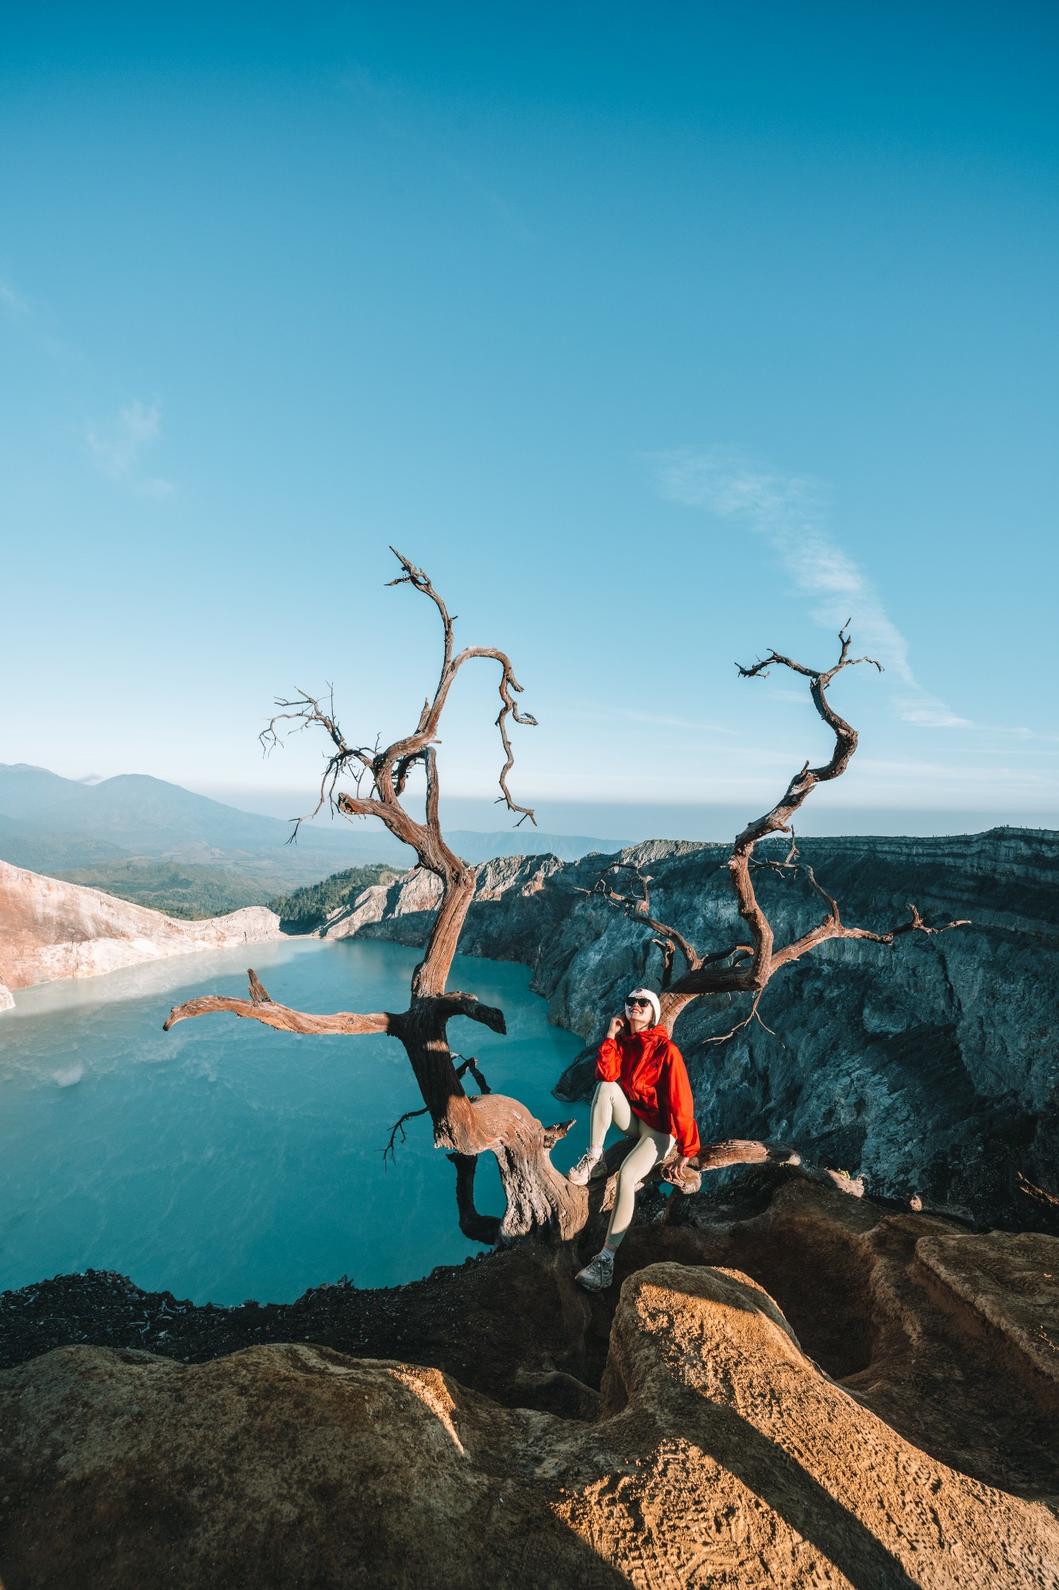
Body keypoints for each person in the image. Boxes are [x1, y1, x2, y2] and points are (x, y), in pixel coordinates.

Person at [567, 987, 700, 1291]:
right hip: (636, 1121)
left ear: (653, 1013)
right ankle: (595, 1158)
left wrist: (687, 1150)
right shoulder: (625, 1043)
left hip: (661, 1131)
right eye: (630, 1002)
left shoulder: (667, 1051)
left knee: (627, 1175)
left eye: (643, 1003)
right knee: (605, 1088)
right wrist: (611, 1037)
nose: (635, 1006)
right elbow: (606, 1073)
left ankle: (606, 1260)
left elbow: (682, 1103)